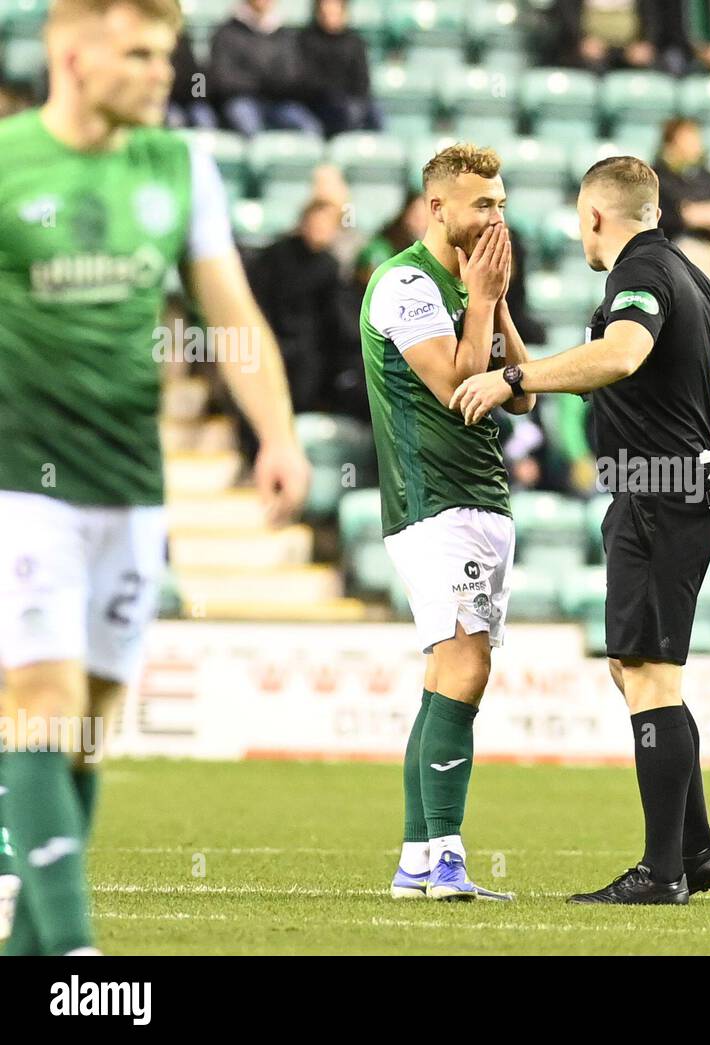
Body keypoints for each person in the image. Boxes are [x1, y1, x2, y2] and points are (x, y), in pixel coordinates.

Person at [0, 0, 309, 955]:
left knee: (86, 730)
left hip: (129, 483)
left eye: (167, 52)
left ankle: (27, 954)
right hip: (19, 479)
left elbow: (232, 315)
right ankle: (79, 962)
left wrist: (279, 435)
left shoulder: (182, 166)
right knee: (38, 708)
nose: (159, 71)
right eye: (137, 52)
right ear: (71, 51)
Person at [450, 156, 710, 905]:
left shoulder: (637, 274)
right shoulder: (689, 274)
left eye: (582, 220)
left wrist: (514, 378)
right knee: (637, 669)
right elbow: (708, 370)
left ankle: (664, 869)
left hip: (656, 495)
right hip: (676, 488)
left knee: (648, 676)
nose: (582, 233)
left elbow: (623, 352)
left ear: (598, 216)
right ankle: (696, 849)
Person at [358, 144, 533, 902]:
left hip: (482, 499)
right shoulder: (404, 283)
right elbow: (461, 383)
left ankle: (415, 862)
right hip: (435, 502)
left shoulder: (470, 282)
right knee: (466, 668)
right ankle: (449, 856)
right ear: (437, 208)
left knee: (443, 681)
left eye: (500, 202)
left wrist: (495, 296)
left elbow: (518, 393)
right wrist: (483, 298)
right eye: (481, 205)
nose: (496, 215)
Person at [247, 198, 346, 414]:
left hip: (308, 350)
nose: (320, 230)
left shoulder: (330, 267)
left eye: (327, 225)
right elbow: (258, 299)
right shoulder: (275, 256)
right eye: (316, 222)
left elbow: (332, 320)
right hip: (271, 338)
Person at [653, 117, 710, 283]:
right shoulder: (655, 179)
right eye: (686, 139)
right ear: (670, 143)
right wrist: (684, 216)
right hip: (670, 250)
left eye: (696, 138)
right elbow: (654, 220)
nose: (695, 144)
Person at [208, 0, 320, 135]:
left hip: (279, 102)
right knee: (248, 125)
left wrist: (273, 85)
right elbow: (222, 78)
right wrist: (261, 83)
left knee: (310, 127)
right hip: (241, 100)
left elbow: (292, 74)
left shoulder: (286, 34)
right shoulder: (227, 32)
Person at [299, 0, 382, 137]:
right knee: (347, 112)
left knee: (374, 111)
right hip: (320, 104)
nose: (331, 15)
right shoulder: (307, 40)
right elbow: (307, 82)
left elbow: (362, 81)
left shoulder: (355, 42)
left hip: (351, 100)